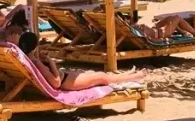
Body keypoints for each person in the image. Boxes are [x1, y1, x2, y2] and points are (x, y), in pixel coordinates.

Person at [17, 31, 148, 91]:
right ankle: (136, 77)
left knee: (96, 74)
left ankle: (127, 75)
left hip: (66, 78)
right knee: (102, 77)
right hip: (65, 82)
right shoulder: (37, 63)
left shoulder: (26, 58)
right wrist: (51, 62)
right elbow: (56, 83)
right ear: (35, 46)